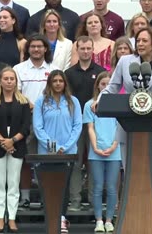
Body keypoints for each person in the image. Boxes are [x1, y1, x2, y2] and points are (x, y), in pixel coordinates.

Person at [94, 26, 152, 187]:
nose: (140, 44)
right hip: (128, 126)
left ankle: (151, 211)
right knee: (130, 172)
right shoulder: (126, 61)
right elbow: (112, 88)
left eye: (144, 40)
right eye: (138, 40)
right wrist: (100, 100)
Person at [33, 69, 82, 233]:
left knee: (64, 186)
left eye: (61, 81)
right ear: (50, 83)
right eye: (55, 81)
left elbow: (77, 126)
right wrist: (51, 146)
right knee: (48, 187)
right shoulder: (42, 101)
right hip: (46, 153)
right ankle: (50, 219)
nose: (58, 84)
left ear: (65, 83)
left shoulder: (73, 101)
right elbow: (38, 127)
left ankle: (62, 218)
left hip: (67, 152)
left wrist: (65, 146)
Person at [13, 34, 59, 209]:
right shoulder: (19, 68)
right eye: (33, 46)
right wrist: (31, 104)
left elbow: (57, 91)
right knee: (25, 158)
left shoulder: (54, 69)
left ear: (46, 49)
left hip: (49, 121)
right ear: (28, 49)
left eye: (40, 46)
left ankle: (45, 196)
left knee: (46, 159)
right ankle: (25, 197)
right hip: (25, 120)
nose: (36, 49)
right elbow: (15, 92)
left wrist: (42, 106)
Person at [65, 36, 106, 211]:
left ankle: (93, 200)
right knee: (75, 161)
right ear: (77, 50)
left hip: (96, 123)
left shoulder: (101, 71)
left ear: (93, 50)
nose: (86, 51)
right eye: (82, 48)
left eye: (89, 48)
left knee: (94, 161)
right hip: (75, 124)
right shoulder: (69, 73)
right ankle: (75, 200)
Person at [0, 67, 30, 233]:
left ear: (16, 81)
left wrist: (12, 141)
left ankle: (12, 218)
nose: (9, 81)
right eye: (5, 78)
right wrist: (3, 141)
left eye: (11, 79)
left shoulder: (23, 102)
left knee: (13, 183)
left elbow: (26, 126)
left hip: (17, 145)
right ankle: (0, 218)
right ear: (0, 81)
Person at [83, 71, 120, 233]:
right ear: (98, 85)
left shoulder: (118, 104)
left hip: (114, 151)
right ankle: (98, 220)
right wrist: (95, 147)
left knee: (112, 187)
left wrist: (113, 146)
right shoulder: (89, 105)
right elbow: (90, 128)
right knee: (97, 187)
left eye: (108, 84)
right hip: (96, 151)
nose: (105, 87)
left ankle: (109, 220)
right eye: (102, 84)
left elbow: (120, 128)